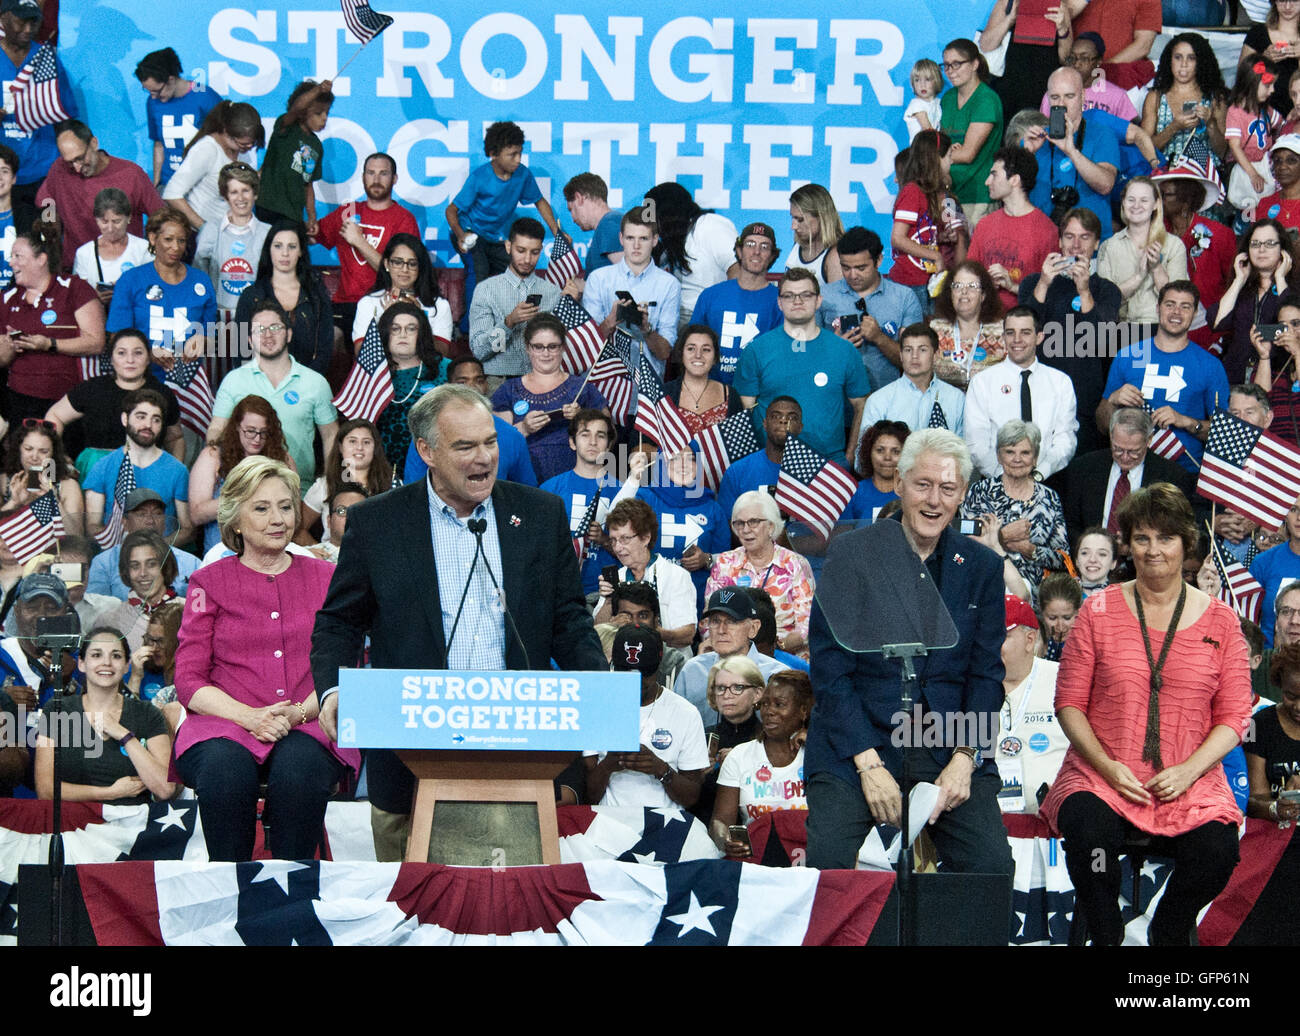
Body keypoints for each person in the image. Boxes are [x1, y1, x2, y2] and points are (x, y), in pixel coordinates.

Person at [311, 384, 607, 860]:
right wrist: (332, 690)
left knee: (510, 904)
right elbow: (339, 623)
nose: (483, 458)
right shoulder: (377, 523)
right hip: (409, 749)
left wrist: (598, 690)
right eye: (465, 446)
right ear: (426, 451)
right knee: (415, 911)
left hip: (515, 744)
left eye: (490, 442)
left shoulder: (538, 514)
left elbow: (569, 619)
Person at [1040, 483, 1252, 945]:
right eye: (1142, 538)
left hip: (1189, 780)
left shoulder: (1223, 621)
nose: (1154, 550)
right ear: (1127, 544)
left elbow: (1235, 715)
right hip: (1102, 775)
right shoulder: (1096, 611)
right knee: (1091, 844)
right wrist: (1107, 766)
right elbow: (1069, 704)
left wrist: (1190, 771)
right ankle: (1105, 925)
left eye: (1166, 538)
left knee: (1217, 854)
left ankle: (1170, 924)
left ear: (1187, 544)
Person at [804, 428, 1014, 876]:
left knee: (991, 867)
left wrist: (965, 758)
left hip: (946, 743)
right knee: (829, 867)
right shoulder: (850, 554)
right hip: (858, 740)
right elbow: (829, 670)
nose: (934, 500)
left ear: (961, 497)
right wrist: (867, 764)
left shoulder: (982, 568)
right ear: (899, 483)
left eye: (947, 489)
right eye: (923, 485)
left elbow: (986, 677)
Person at [174, 456, 359, 861]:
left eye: (286, 506)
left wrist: (296, 714)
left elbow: (344, 669)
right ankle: (230, 889)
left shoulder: (327, 578)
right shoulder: (208, 582)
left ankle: (295, 893)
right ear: (235, 520)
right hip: (224, 725)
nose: (278, 519)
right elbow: (188, 680)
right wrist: (249, 718)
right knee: (225, 773)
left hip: (308, 721)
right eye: (261, 508)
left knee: (300, 772)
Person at [734, 268, 869, 467]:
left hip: (829, 464)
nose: (797, 301)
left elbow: (862, 405)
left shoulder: (844, 351)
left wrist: (850, 456)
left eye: (805, 295)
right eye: (789, 296)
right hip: (771, 462)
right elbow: (744, 412)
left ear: (818, 300)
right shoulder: (756, 350)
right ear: (779, 303)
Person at [1018, 208, 1123, 457]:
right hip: (1040, 397)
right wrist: (1044, 282)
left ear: (1097, 243)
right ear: (1059, 240)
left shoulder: (1107, 290)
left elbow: (1102, 336)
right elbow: (1022, 332)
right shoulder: (1033, 283)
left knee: (1082, 475)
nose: (1075, 245)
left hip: (1085, 401)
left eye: (1084, 237)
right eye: (1069, 236)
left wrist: (1084, 291)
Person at [35, 626, 176, 805]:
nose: (106, 662)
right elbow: (46, 790)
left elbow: (165, 789)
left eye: (116, 656)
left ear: (126, 666)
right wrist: (110, 793)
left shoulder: (148, 714)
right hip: (73, 826)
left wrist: (124, 736)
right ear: (81, 663)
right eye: (96, 655)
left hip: (131, 825)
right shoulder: (57, 710)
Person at [1100, 281, 1229, 472]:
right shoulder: (1128, 356)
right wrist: (1113, 400)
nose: (1176, 312)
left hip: (1185, 471)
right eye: (1170, 304)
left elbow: (1224, 436)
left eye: (1185, 307)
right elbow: (1102, 425)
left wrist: (1185, 421)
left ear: (1194, 314)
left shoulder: (1210, 366)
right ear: (1157, 308)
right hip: (1132, 467)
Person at [209, 298, 338, 487]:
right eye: (259, 329)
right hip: (244, 487)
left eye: (275, 327)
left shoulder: (315, 383)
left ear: (289, 334)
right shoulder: (233, 381)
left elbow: (331, 436)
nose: (267, 335)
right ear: (250, 340)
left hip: (298, 488)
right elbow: (216, 430)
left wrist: (328, 486)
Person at [584, 624, 709, 810]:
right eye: (626, 671)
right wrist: (609, 764)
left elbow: (691, 797)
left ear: (658, 666)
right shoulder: (596, 709)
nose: (636, 680)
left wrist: (659, 768)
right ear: (613, 666)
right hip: (608, 820)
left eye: (644, 672)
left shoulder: (686, 713)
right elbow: (587, 795)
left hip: (666, 821)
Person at [0, 222, 105, 423]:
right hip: (20, 399)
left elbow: (96, 342)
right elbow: (2, 360)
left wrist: (50, 344)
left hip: (70, 400)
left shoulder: (74, 288)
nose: (11, 262)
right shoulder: (7, 298)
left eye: (17, 256)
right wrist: (10, 346)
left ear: (41, 259)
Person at [446, 120, 564, 293]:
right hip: (471, 234)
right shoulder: (479, 177)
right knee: (478, 275)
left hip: (496, 240)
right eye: (512, 154)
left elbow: (540, 201)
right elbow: (451, 210)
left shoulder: (523, 174)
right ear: (494, 154)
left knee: (519, 270)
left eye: (520, 153)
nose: (518, 160)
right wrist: (460, 235)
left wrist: (556, 231)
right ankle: (472, 320)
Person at [490, 311, 607, 483]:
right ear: (528, 347)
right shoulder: (509, 390)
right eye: (538, 347)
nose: (546, 353)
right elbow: (496, 444)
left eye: (553, 346)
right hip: (523, 480)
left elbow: (608, 434)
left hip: (574, 480)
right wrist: (523, 428)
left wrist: (582, 419)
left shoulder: (583, 388)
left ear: (563, 347)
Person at [312, 153, 420, 336]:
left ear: (394, 179)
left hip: (385, 304)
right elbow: (311, 235)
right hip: (346, 304)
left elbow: (399, 273)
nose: (376, 179)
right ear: (363, 177)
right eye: (371, 173)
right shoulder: (348, 211)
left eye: (383, 173)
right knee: (325, 342)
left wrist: (359, 242)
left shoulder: (404, 220)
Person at [964, 306, 1078, 479]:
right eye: (1010, 333)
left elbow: (1065, 439)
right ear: (1003, 337)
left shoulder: (1060, 382)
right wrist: (1005, 477)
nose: (1017, 340)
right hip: (996, 480)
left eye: (1025, 332)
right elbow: (976, 443)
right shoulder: (982, 382)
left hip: (1047, 479)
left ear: (1039, 337)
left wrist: (1040, 474)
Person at [1058, 407, 1200, 544]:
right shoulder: (1083, 468)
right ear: (1111, 436)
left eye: (1133, 451)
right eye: (1118, 449)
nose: (1125, 457)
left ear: (1149, 440)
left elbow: (1174, 532)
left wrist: (1133, 547)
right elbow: (1070, 525)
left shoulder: (1172, 477)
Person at [961, 419, 1069, 598]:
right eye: (1009, 452)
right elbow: (963, 546)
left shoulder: (1049, 498)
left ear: (1035, 458)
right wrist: (1002, 537)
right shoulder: (979, 492)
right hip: (987, 592)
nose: (1017, 459)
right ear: (998, 456)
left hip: (1038, 601)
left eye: (1025, 452)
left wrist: (1031, 550)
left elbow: (1063, 559)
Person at [712, 668, 813, 857]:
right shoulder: (740, 756)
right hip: (758, 858)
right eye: (765, 704)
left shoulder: (818, 755)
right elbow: (720, 821)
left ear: (803, 711)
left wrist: (817, 744)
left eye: (779, 704)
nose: (769, 712)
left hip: (810, 859)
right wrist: (724, 839)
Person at [402, 355, 537, 487]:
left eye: (478, 380)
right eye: (462, 382)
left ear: (486, 385)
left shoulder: (512, 437)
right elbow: (414, 491)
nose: (472, 387)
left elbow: (528, 495)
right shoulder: (429, 433)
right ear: (448, 386)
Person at [37, 119, 162, 262]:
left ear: (94, 143)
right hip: (76, 267)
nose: (77, 167)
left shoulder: (131, 174)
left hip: (125, 266)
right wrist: (50, 222)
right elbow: (46, 200)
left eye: (80, 158)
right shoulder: (59, 169)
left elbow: (160, 217)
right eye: (70, 162)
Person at [707, 489, 815, 654]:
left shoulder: (795, 564)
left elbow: (807, 625)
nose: (745, 529)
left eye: (753, 522)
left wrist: (775, 648)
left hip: (783, 654)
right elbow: (709, 620)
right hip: (732, 654)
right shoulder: (724, 563)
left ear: (771, 526)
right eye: (739, 523)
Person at [189, 393, 296, 553]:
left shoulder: (283, 460)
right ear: (237, 427)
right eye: (250, 431)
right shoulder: (213, 456)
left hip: (270, 552)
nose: (257, 439)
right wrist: (246, 496)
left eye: (264, 432)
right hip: (223, 552)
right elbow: (197, 514)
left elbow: (295, 513)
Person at [105, 206, 215, 361]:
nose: (176, 247)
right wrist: (148, 354)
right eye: (168, 239)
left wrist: (203, 339)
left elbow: (211, 333)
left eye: (181, 240)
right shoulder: (131, 280)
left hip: (189, 376)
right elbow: (117, 338)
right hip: (142, 375)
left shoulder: (201, 280)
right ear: (152, 238)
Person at [821, 226, 922, 393]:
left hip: (888, 400)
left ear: (879, 260)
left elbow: (913, 360)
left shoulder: (904, 297)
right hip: (836, 397)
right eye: (845, 268)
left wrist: (879, 338)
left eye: (861, 268)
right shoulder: (824, 296)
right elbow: (806, 356)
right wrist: (836, 348)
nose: (852, 275)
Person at [84, 389, 192, 544]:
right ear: (125, 419)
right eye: (141, 417)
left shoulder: (178, 470)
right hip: (116, 554)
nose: (148, 425)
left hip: (161, 556)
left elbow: (187, 529)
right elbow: (92, 526)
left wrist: (155, 548)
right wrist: (122, 546)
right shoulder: (101, 467)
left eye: (156, 420)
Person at [583, 209, 682, 376]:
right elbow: (586, 347)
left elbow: (665, 353)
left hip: (647, 386)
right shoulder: (598, 279)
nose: (636, 246)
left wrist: (646, 329)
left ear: (655, 240)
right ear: (621, 239)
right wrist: (610, 321)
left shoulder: (669, 284)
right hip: (604, 380)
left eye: (643, 238)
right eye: (630, 238)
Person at [538, 408, 625, 596]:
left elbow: (636, 553)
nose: (593, 442)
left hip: (607, 593)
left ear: (609, 445)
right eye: (585, 435)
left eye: (600, 436)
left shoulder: (624, 493)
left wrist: (605, 540)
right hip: (559, 592)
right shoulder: (549, 490)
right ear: (572, 442)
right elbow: (539, 548)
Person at [1152, 160, 1235, 353]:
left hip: (1208, 326)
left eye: (1167, 195)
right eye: (1160, 195)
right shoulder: (1154, 232)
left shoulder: (1219, 234)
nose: (1161, 200)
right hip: (1166, 322)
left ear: (1186, 200)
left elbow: (1232, 282)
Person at [592, 497, 697, 648]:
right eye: (613, 540)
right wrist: (608, 601)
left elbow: (687, 635)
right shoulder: (617, 577)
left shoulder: (676, 575)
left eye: (625, 539)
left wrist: (644, 631)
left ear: (645, 538)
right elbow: (597, 633)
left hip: (666, 663)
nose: (617, 548)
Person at [997, 594, 1068, 813]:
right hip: (987, 824)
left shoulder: (1064, 681)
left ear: (1029, 640)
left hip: (1051, 824)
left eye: (1001, 636)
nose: (989, 644)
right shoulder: (970, 686)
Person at [234, 221, 334, 376]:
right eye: (278, 246)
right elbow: (240, 351)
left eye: (292, 247)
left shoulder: (317, 296)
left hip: (307, 384)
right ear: (269, 250)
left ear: (301, 251)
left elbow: (324, 351)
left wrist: (303, 381)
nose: (285, 253)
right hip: (260, 386)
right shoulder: (251, 296)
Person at [1031, 67, 1120, 240]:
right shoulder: (1036, 139)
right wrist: (1026, 154)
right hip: (1043, 242)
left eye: (1069, 96)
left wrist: (1071, 151)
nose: (1061, 104)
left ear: (1083, 98)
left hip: (1091, 244)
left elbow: (1106, 184)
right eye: (1055, 97)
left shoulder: (1103, 134)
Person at [676, 588, 787, 726]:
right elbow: (676, 727)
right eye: (715, 621)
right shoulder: (693, 671)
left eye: (732, 621)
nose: (721, 630)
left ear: (753, 628)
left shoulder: (777, 676)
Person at [468, 217, 562, 381]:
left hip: (541, 381)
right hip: (498, 380)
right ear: (508, 247)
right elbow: (479, 351)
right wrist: (509, 323)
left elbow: (561, 349)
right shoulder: (486, 290)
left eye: (534, 252)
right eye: (521, 250)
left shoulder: (553, 292)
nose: (527, 259)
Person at [687, 222, 782, 383]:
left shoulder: (781, 301)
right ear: (739, 251)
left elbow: (780, 356)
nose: (756, 252)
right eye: (750, 244)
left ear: (772, 255)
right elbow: (690, 346)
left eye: (764, 246)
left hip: (759, 395)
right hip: (712, 393)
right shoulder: (711, 296)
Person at [969, 146, 1060, 312]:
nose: (987, 181)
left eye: (994, 174)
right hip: (985, 319)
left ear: (1014, 180)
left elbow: (1050, 292)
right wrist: (985, 282)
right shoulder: (984, 225)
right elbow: (969, 277)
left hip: (1025, 322)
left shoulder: (1047, 230)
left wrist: (1012, 285)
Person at [0, 0, 74, 204]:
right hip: (3, 175)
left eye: (33, 23)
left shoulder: (46, 57)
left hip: (44, 174)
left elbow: (65, 117)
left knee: (47, 228)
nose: (28, 29)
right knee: (6, 234)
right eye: (21, 21)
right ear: (3, 18)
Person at [1209, 217, 1298, 384]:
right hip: (1236, 377)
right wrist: (1239, 280)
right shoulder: (1242, 290)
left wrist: (1280, 278)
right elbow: (1217, 322)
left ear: (1283, 250)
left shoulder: (1293, 289)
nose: (1261, 249)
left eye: (1270, 243)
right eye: (1255, 244)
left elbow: (1289, 325)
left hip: (1278, 378)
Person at [888, 130, 967, 315]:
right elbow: (898, 238)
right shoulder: (912, 191)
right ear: (935, 158)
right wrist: (936, 256)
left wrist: (940, 237)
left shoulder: (932, 193)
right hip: (908, 282)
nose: (952, 161)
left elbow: (918, 235)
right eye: (948, 156)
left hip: (927, 281)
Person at [643, 181, 738, 332]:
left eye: (653, 217)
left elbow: (737, 269)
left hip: (708, 317)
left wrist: (725, 316)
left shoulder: (709, 226)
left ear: (667, 214)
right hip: (674, 316)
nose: (651, 224)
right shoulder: (671, 242)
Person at [361, 301, 445, 468]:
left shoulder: (445, 369)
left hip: (432, 462)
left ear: (422, 334)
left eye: (411, 328)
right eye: (395, 329)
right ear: (385, 333)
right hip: (380, 465)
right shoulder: (370, 371)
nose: (403, 334)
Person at [1099, 177, 1189, 326]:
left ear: (1155, 204)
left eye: (1144, 200)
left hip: (1161, 330)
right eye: (1131, 200)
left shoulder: (1174, 245)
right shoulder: (1109, 247)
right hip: (1121, 329)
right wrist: (1139, 277)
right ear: (1123, 202)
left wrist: (1157, 268)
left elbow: (1179, 302)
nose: (1136, 206)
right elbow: (1105, 301)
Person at [162, 100, 263, 232]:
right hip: (202, 237)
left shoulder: (241, 151)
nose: (248, 148)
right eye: (243, 144)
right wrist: (204, 228)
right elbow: (172, 194)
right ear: (226, 132)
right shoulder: (206, 150)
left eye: (252, 144)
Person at [86, 488, 199, 600]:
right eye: (141, 514)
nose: (150, 520)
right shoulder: (104, 563)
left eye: (157, 514)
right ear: (125, 523)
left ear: (164, 522)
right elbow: (96, 608)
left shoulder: (190, 562)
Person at [1140, 33, 1229, 175]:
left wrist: (1211, 124)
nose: (1184, 64)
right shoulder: (1155, 97)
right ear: (1170, 60)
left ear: (1201, 62)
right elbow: (1144, 148)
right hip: (1165, 172)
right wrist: (1174, 127)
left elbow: (1223, 152)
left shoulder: (1215, 97)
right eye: (1178, 57)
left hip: (1204, 174)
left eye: (1191, 58)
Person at [857, 322, 964, 437]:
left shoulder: (956, 398)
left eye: (922, 350)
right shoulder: (879, 401)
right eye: (908, 350)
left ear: (935, 355)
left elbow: (964, 450)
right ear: (901, 355)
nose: (914, 356)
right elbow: (864, 452)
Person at [351, 232, 452, 352]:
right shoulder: (368, 303)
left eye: (412, 264)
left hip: (424, 369)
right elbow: (361, 353)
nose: (405, 269)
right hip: (383, 370)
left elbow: (442, 353)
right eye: (398, 262)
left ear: (421, 267)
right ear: (386, 264)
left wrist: (419, 319)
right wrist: (387, 319)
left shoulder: (439, 305)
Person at [134, 47, 220, 188]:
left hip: (203, 185)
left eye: (157, 91)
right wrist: (157, 184)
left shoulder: (205, 96)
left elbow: (224, 140)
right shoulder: (152, 102)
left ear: (171, 80)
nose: (153, 97)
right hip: (170, 183)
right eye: (148, 91)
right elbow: (159, 144)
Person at [940, 39, 1004, 227]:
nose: (950, 71)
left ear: (975, 64)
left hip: (978, 194)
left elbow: (968, 154)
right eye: (946, 65)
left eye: (956, 64)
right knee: (951, 252)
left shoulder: (986, 99)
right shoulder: (948, 98)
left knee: (973, 255)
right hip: (949, 192)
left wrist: (934, 158)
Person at [193, 162, 269, 315]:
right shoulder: (211, 230)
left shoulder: (268, 232)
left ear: (255, 193)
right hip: (218, 317)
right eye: (234, 192)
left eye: (245, 191)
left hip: (257, 318)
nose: (241, 198)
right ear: (225, 196)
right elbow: (199, 276)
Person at [299, 418, 390, 545]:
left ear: (375, 448)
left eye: (366, 442)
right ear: (340, 447)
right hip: (334, 562)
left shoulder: (392, 485)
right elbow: (298, 529)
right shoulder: (324, 486)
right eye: (352, 441)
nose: (359, 447)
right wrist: (319, 555)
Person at [256, 79, 331, 230]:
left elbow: (308, 184)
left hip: (293, 215)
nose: (324, 118)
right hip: (268, 208)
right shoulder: (286, 128)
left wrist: (312, 217)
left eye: (327, 113)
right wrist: (318, 90)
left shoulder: (317, 146)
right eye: (318, 113)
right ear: (303, 113)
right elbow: (296, 108)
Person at [1245, 643, 1300, 842]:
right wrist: (1277, 807)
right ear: (1280, 686)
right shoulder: (1258, 724)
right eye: (1291, 696)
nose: (1298, 707)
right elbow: (1252, 799)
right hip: (1273, 837)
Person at [716, 395, 800, 524]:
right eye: (776, 416)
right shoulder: (737, 472)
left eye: (792, 417)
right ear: (765, 424)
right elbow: (727, 525)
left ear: (800, 427)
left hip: (799, 542)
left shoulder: (818, 473)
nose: (784, 421)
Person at [929, 258, 1006, 390]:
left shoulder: (1002, 331)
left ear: (983, 295)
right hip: (945, 406)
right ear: (950, 293)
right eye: (957, 286)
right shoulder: (935, 329)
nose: (964, 292)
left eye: (972, 286)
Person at [70, 188, 152, 310]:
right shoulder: (85, 253)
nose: (110, 228)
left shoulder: (143, 248)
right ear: (96, 220)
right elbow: (77, 296)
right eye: (104, 222)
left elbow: (153, 287)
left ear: (129, 218)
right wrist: (95, 297)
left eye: (116, 221)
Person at [0, 418, 83, 536]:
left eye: (43, 451)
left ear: (53, 454)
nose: (34, 457)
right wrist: (13, 502)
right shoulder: (3, 482)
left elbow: (76, 535)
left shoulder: (67, 485)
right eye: (28, 449)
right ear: (19, 449)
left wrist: (54, 501)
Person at [100, 529, 178, 651]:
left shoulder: (188, 612)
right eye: (135, 566)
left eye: (151, 564)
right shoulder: (110, 620)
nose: (143, 573)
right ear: (126, 571)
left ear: (165, 566)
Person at [1225, 57, 1285, 216]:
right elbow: (1234, 145)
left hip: (1265, 166)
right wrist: (1252, 173)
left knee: (1267, 208)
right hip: (1246, 169)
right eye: (1267, 85)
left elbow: (1281, 125)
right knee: (1247, 208)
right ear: (1251, 82)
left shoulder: (1266, 110)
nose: (1272, 90)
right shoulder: (1236, 112)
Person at [1038, 31, 1140, 121]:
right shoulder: (1054, 93)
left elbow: (1131, 132)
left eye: (1084, 58)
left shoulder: (1116, 96)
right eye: (1072, 58)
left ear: (1098, 61)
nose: (1077, 64)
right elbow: (1044, 129)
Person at [663, 324, 743, 436]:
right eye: (691, 349)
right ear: (681, 354)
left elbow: (738, 446)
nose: (698, 355)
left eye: (706, 350)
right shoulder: (663, 393)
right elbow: (642, 443)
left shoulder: (730, 395)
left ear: (715, 357)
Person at [1250, 493, 1300, 645]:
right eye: (1293, 509)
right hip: (1270, 661)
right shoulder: (1263, 562)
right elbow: (1247, 618)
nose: (1299, 517)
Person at [1251, 291, 1300, 444]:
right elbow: (1259, 405)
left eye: (1296, 324)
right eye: (1282, 326)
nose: (1289, 331)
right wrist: (1264, 356)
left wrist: (1297, 351)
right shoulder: (1273, 368)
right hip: (1277, 457)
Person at [1243, 0, 1300, 119]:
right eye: (1282, 0)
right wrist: (1264, 59)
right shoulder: (1258, 34)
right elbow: (1243, 79)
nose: (1288, 6)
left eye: (1294, 0)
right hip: (1262, 114)